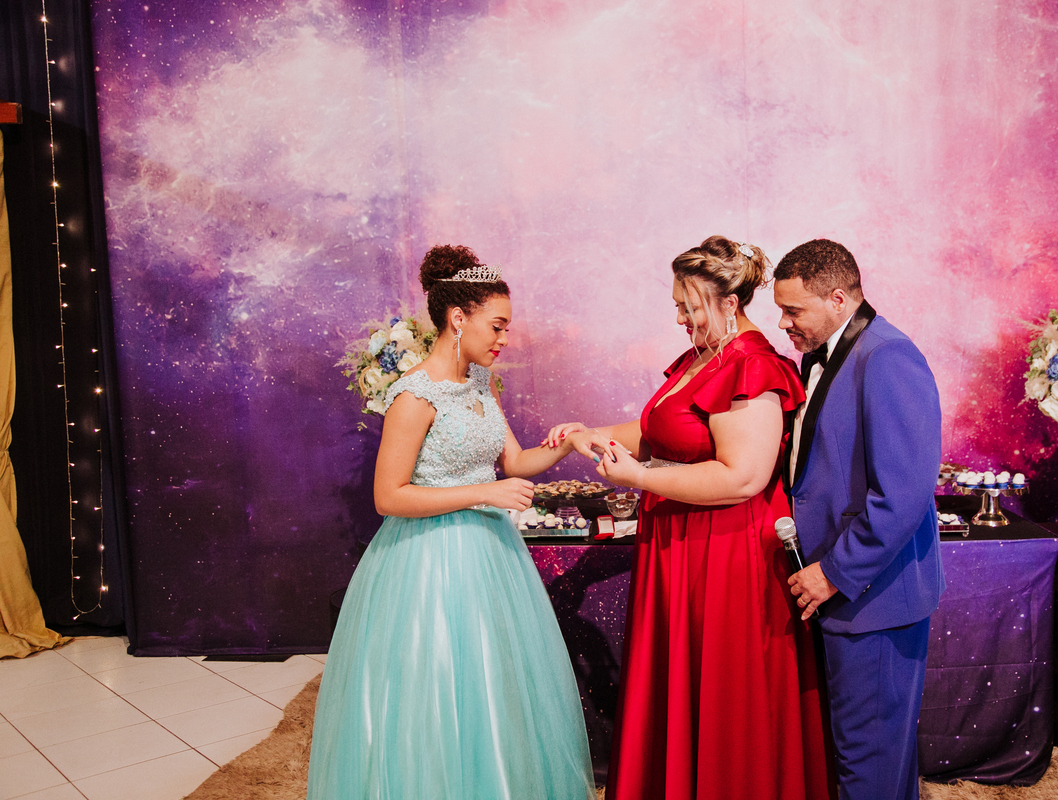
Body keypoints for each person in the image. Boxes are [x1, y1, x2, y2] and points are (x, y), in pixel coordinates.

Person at [547, 236, 834, 800]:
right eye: (678, 305)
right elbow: (660, 430)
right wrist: (592, 433)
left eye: (689, 306)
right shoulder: (706, 355)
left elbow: (742, 478)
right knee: (681, 684)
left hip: (725, 550)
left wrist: (639, 477)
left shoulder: (752, 365)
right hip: (683, 542)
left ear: (729, 303)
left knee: (724, 691)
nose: (680, 317)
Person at [307, 245, 596, 800]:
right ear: (458, 318)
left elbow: (515, 462)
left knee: (492, 682)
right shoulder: (414, 395)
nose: (504, 339)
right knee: (434, 683)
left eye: (507, 328)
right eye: (497, 326)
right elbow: (389, 497)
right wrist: (485, 492)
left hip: (489, 556)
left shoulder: (481, 382)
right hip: (426, 558)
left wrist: (567, 442)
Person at [774, 239, 944, 800]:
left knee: (868, 762)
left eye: (793, 310)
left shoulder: (888, 356)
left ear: (838, 299)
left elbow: (902, 495)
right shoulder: (825, 353)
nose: (783, 323)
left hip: (873, 597)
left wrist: (833, 572)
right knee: (871, 758)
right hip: (847, 595)